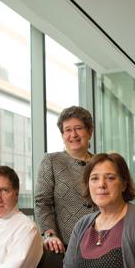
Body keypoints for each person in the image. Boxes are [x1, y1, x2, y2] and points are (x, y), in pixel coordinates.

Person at [35, 106, 96, 254]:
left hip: (103, 239)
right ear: (62, 134)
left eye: (78, 128)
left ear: (89, 132)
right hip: (67, 244)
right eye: (68, 130)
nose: (73, 134)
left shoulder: (100, 163)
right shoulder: (51, 161)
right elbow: (42, 203)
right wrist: (49, 234)